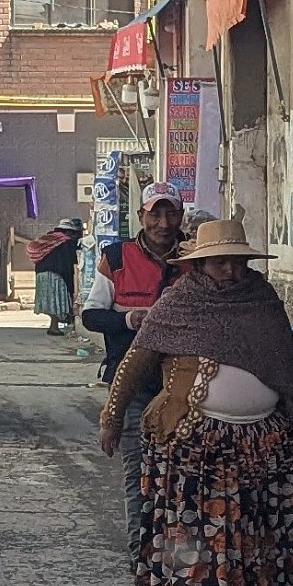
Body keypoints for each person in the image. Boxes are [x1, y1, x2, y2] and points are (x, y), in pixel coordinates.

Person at [98, 220, 293, 586]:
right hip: (196, 438)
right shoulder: (179, 302)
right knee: (207, 529)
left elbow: (285, 363)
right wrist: (112, 415)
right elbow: (138, 359)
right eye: (221, 262)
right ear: (200, 264)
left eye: (238, 262)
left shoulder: (262, 301)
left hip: (259, 441)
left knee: (245, 531)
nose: (231, 270)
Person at [82, 183, 185, 561]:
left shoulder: (196, 256)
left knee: (183, 474)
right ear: (141, 216)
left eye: (171, 214)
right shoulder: (116, 258)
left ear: (181, 217)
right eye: (155, 214)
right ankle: (141, 554)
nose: (163, 223)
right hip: (132, 384)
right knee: (137, 470)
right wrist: (128, 320)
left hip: (184, 386)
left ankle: (180, 556)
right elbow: (91, 316)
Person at [27, 218, 84, 335]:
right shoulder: (66, 243)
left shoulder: (49, 240)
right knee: (57, 302)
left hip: (41, 275)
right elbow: (68, 264)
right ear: (68, 232)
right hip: (55, 275)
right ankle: (54, 328)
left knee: (50, 302)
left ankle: (54, 325)